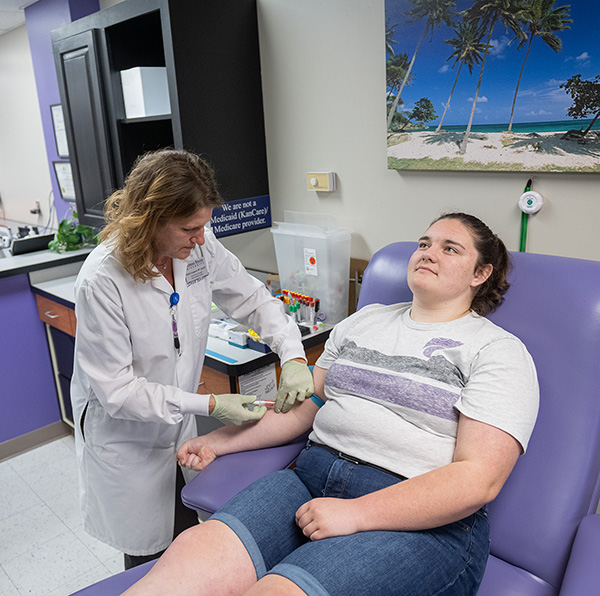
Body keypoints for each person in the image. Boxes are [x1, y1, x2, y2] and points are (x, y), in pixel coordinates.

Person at [121, 212, 539, 596]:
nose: (428, 253)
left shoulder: (497, 351)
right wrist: (221, 442)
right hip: (310, 479)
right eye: (424, 243)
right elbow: (308, 407)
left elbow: (477, 479)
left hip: (420, 519)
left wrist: (357, 513)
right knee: (185, 564)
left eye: (450, 249)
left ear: (480, 273)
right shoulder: (364, 321)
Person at [71, 149, 314, 569]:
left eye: (204, 226)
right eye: (189, 228)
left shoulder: (198, 246)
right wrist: (213, 405)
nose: (200, 238)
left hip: (177, 423)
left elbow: (253, 299)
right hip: (125, 435)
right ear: (149, 219)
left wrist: (292, 355)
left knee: (186, 534)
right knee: (147, 551)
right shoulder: (102, 281)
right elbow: (117, 392)